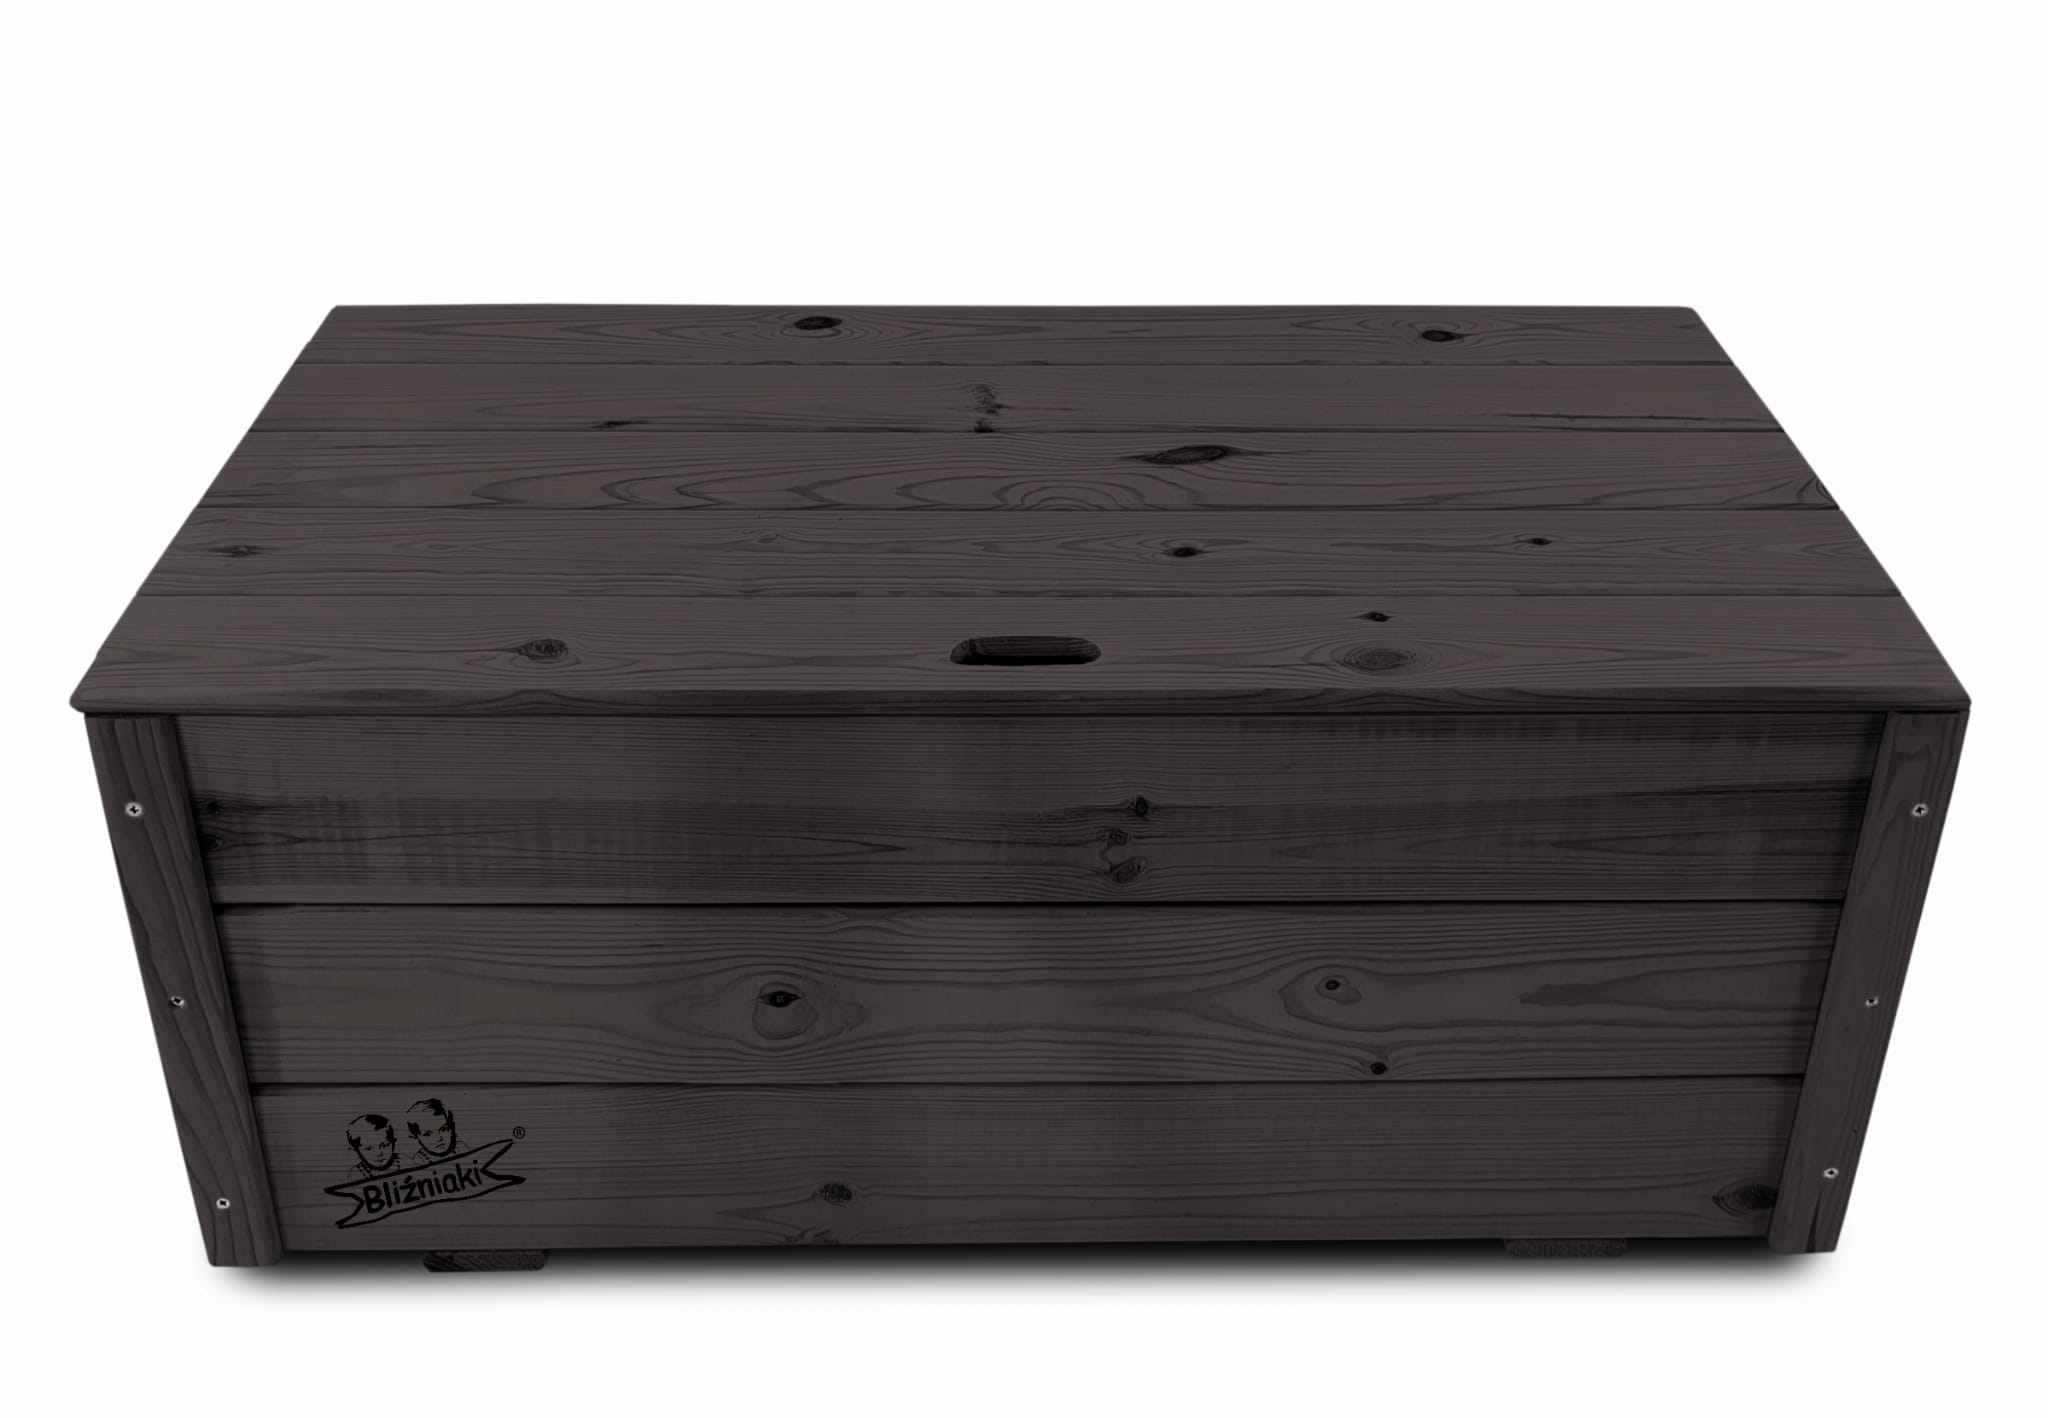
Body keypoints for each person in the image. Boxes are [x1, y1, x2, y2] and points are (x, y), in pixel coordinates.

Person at [405, 1098, 458, 1163]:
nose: (439, 1139)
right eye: (428, 1135)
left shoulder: (461, 1148)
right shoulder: (418, 1162)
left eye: (443, 1129)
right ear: (416, 1136)